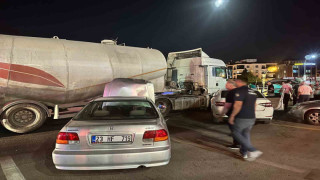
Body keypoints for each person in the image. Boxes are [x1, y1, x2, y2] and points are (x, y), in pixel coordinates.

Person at [229, 79, 262, 161]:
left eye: (236, 81)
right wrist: (252, 114)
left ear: (239, 81)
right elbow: (255, 105)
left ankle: (253, 150)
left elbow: (238, 105)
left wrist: (232, 116)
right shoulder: (252, 91)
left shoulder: (240, 91)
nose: (235, 83)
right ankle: (244, 153)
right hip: (251, 117)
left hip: (242, 117)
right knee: (245, 134)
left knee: (235, 133)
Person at [219, 80, 240, 149]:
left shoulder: (231, 93)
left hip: (233, 114)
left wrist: (222, 114)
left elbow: (227, 105)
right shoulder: (240, 91)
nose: (225, 86)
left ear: (231, 85)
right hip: (241, 114)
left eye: (226, 85)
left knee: (234, 129)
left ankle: (237, 144)